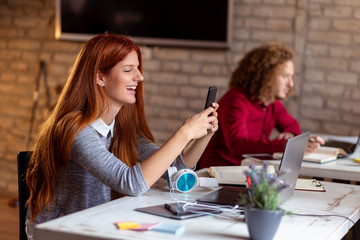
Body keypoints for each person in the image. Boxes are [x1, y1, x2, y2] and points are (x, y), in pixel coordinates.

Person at [25, 33, 219, 239]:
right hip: (59, 232)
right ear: (100, 77)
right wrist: (183, 134)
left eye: (137, 69)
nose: (140, 77)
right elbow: (132, 183)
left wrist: (203, 135)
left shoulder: (121, 128)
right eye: (128, 70)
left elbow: (176, 171)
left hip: (96, 224)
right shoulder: (75, 130)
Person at [199, 42, 323, 168]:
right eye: (285, 76)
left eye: (291, 77)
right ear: (266, 76)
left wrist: (290, 135)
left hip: (246, 171)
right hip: (217, 174)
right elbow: (237, 145)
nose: (291, 84)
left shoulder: (272, 103)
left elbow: (293, 126)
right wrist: (285, 144)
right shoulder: (236, 100)